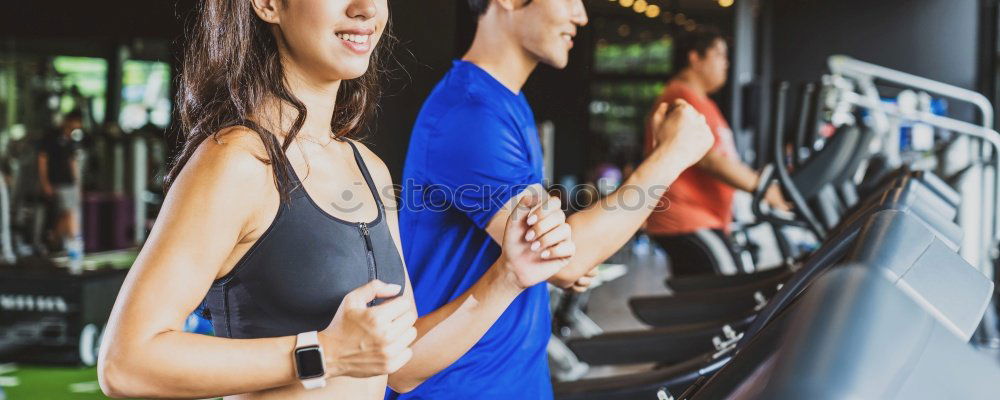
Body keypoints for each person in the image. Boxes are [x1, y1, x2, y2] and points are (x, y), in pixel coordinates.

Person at [96, 1, 574, 399]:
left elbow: (403, 367)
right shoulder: (238, 161)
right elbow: (126, 362)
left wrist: (508, 276)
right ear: (268, 5)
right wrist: (324, 351)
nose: (366, 9)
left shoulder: (367, 168)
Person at [392, 0, 715, 398]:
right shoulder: (471, 114)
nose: (580, 16)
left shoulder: (507, 102)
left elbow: (554, 248)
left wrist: (564, 250)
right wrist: (672, 156)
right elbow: (564, 256)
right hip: (463, 386)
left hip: (515, 377)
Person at [644, 26, 792, 277]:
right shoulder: (681, 99)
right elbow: (711, 161)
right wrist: (764, 189)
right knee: (732, 292)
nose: (727, 63)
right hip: (685, 219)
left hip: (704, 217)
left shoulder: (703, 101)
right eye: (720, 55)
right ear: (695, 58)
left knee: (707, 302)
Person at [37, 109, 84, 269]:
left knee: (68, 214)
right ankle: (72, 246)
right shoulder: (51, 136)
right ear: (68, 120)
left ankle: (54, 241)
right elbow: (42, 160)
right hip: (57, 183)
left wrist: (77, 185)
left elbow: (72, 163)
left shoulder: (71, 139)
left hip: (69, 183)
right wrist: (45, 183)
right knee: (69, 213)